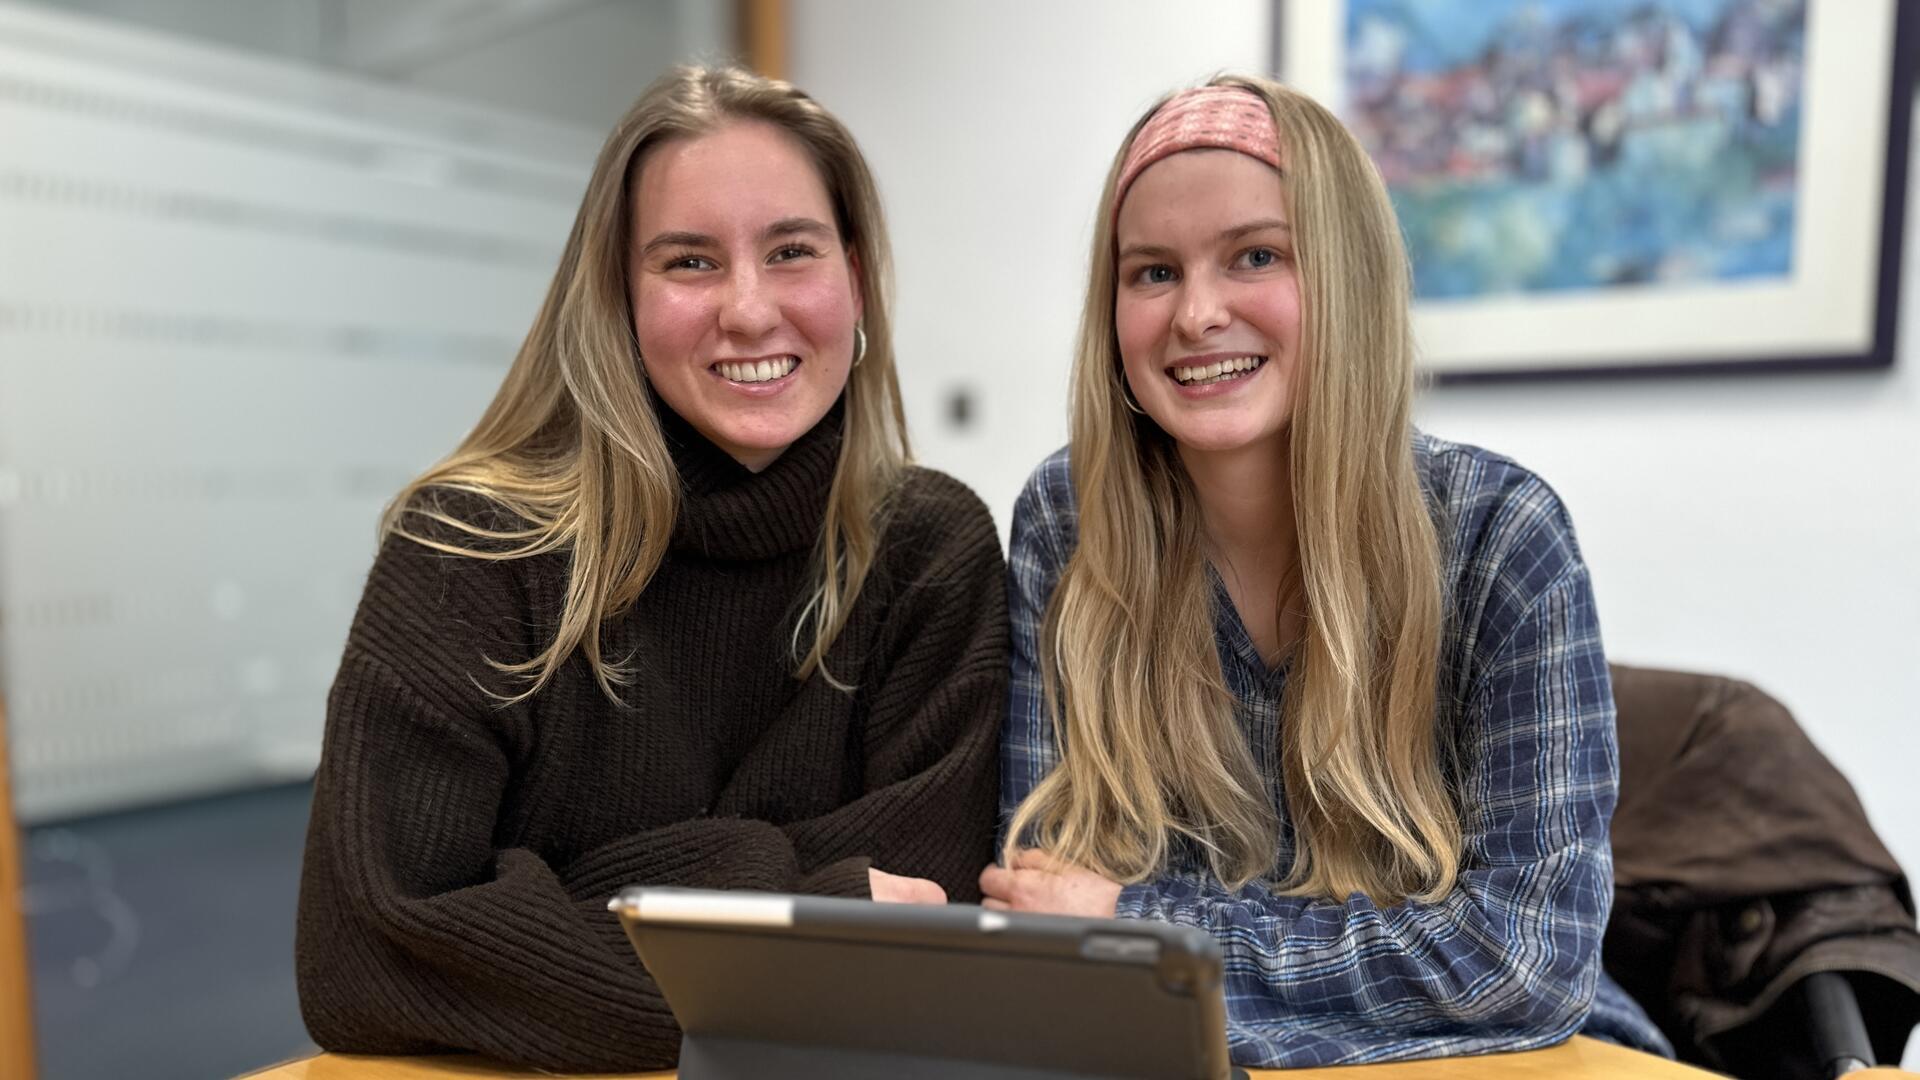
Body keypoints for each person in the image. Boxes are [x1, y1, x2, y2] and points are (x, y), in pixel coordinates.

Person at [296, 66, 1006, 1072]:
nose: (749, 311)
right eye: (690, 262)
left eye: (791, 251)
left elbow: (922, 919)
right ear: (619, 294)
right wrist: (798, 891)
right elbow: (363, 961)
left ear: (854, 273)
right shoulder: (473, 548)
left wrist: (567, 894)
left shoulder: (934, 551)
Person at [985, 75, 1671, 1067]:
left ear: (1345, 281)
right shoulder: (1068, 524)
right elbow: (1039, 912)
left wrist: (1143, 923)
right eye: (1152, 273)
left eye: (1255, 256)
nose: (1196, 314)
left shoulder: (1500, 537)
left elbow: (1524, 965)